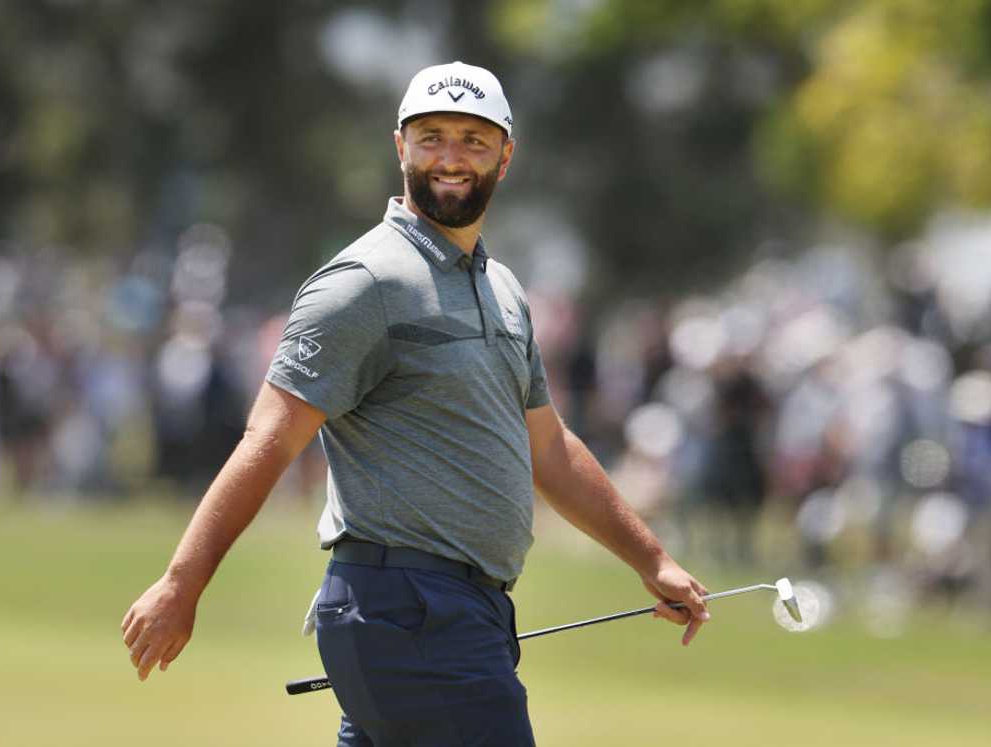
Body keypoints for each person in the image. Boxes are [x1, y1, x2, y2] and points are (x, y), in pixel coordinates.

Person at [121, 61, 710, 746]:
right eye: (431, 137)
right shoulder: (362, 283)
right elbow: (268, 440)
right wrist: (180, 582)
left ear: (506, 155)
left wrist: (652, 558)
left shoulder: (504, 290)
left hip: (463, 614)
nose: (450, 158)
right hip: (407, 610)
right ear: (399, 146)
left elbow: (546, 447)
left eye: (472, 139)